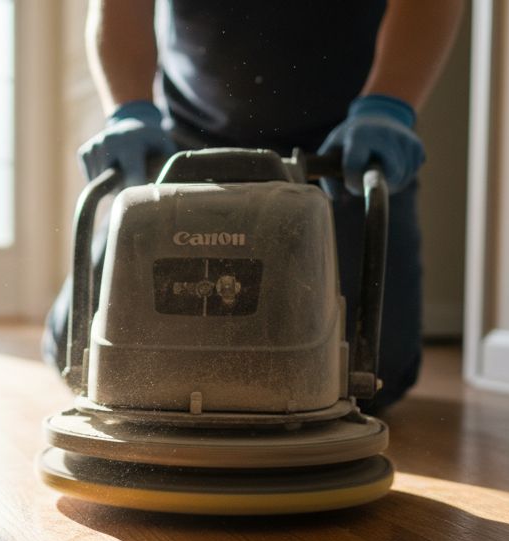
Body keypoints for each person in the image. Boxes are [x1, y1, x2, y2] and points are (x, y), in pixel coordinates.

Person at [43, 0, 464, 412]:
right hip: (191, 138)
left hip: (343, 152)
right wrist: (129, 111)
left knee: (375, 372)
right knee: (77, 351)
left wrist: (388, 107)